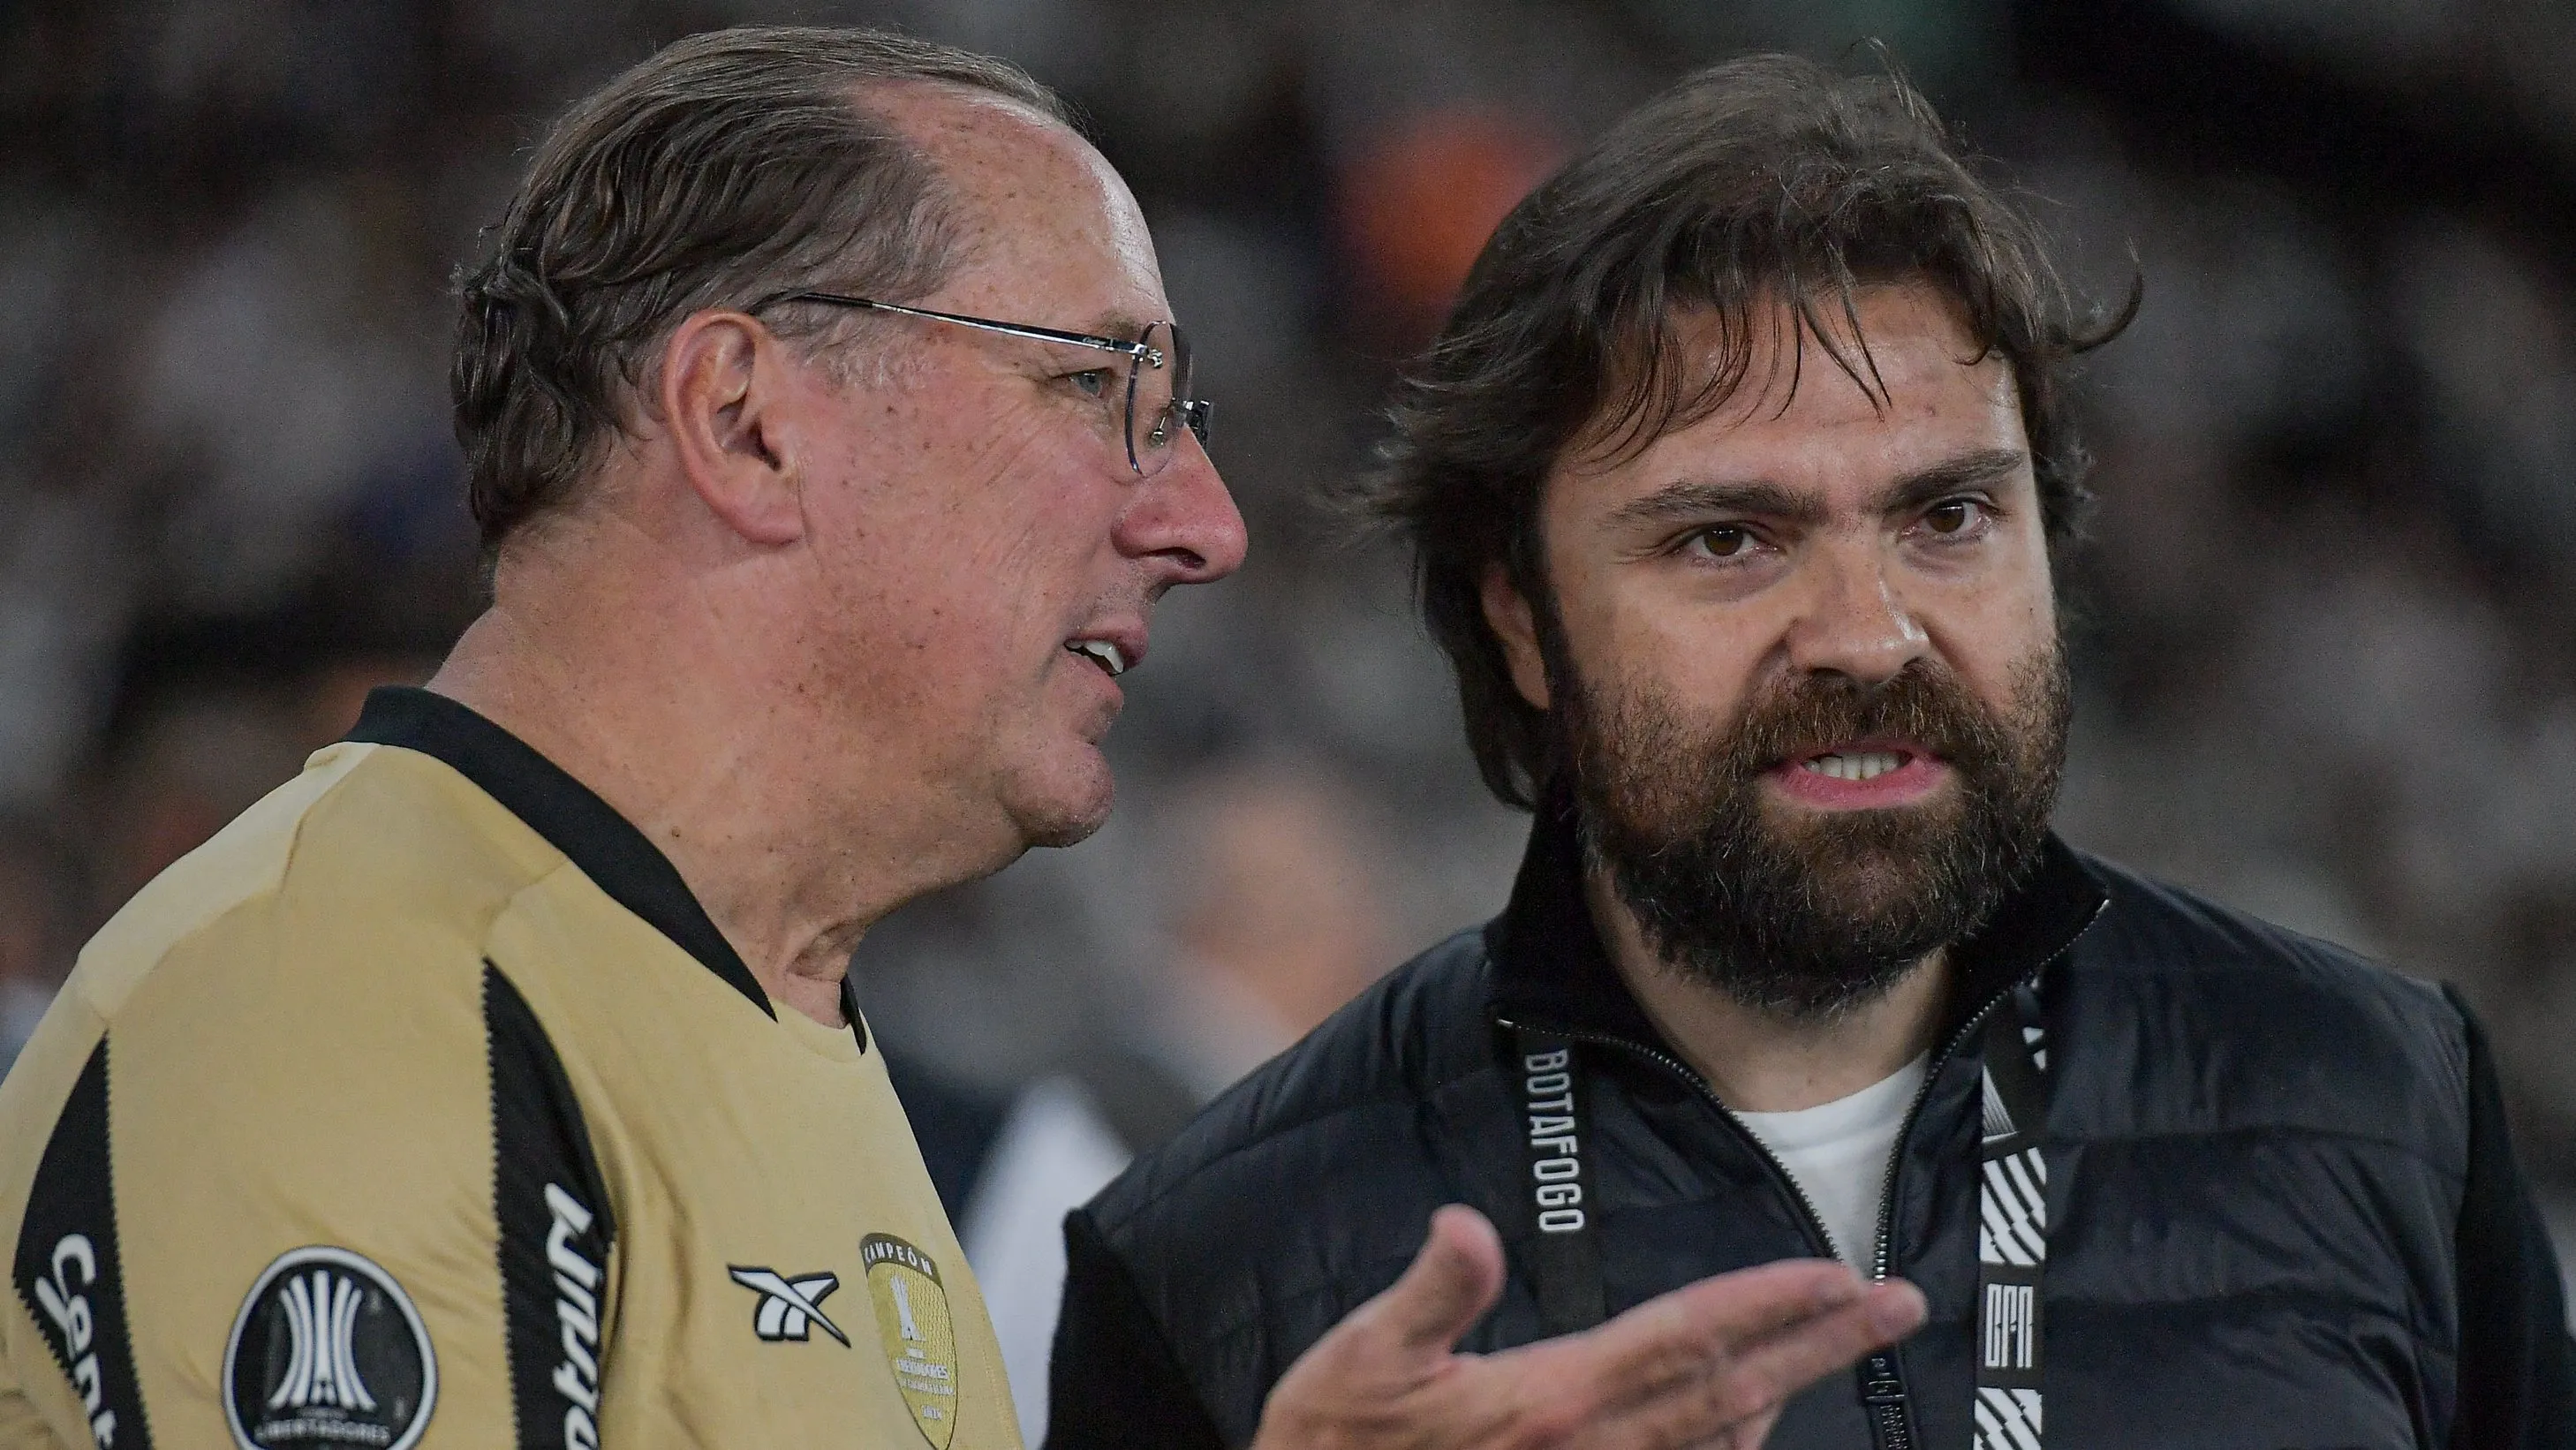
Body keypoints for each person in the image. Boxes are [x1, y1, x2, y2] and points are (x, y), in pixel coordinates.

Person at [0, 27, 1923, 1450]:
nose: (1204, 520)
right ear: (750, 416)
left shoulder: (756, 1012)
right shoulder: (363, 1019)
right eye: (1109, 389)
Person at [1045, 54, 2576, 1450]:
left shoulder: (2385, 1097)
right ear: (1520, 616)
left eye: (1949, 516)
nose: (1870, 632)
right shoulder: (1214, 1263)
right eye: (1729, 537)